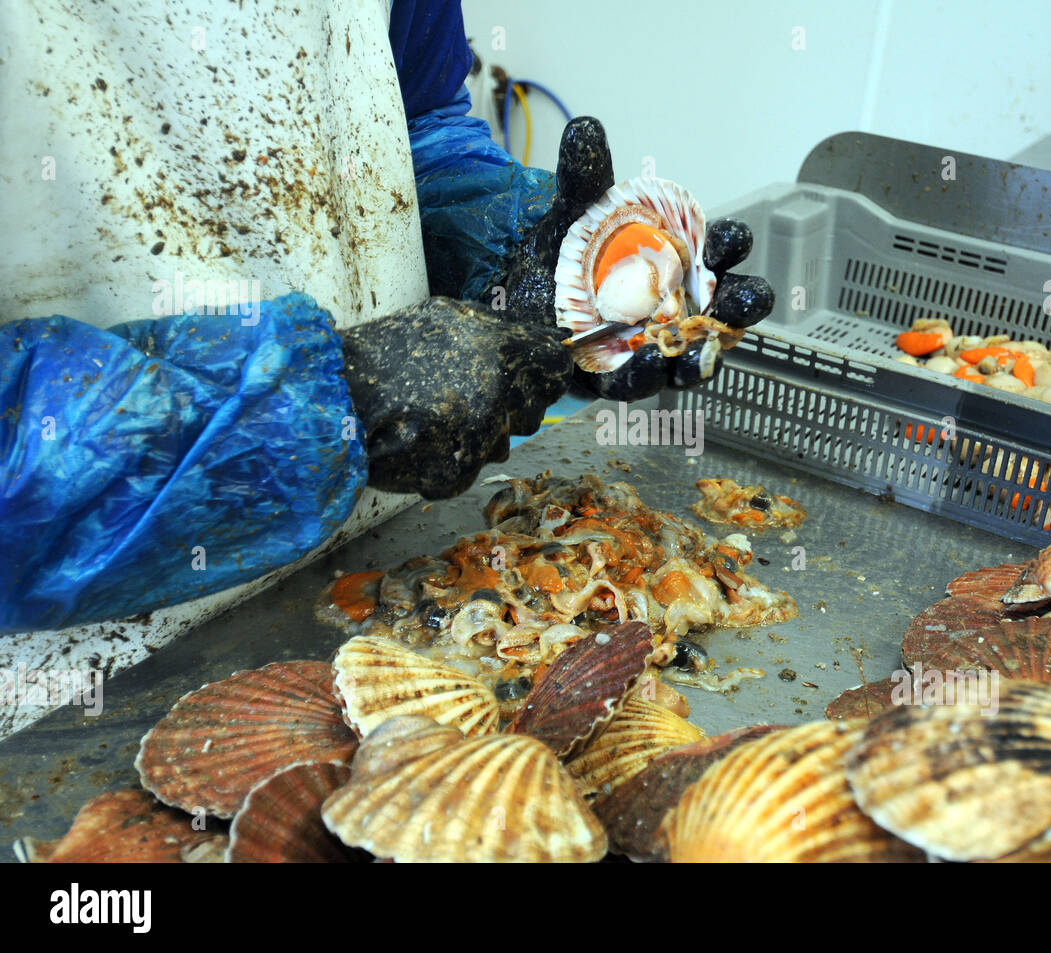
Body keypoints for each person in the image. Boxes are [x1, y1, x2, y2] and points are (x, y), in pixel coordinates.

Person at [0, 0, 771, 730]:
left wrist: (520, 263)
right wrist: (320, 413)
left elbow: (420, 130)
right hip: (75, 677)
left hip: (398, 562)